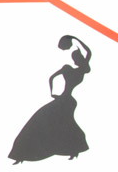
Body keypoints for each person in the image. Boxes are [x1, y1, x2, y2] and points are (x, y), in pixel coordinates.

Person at [9, 35, 91, 163]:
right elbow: (88, 52)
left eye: (75, 58)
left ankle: (22, 153)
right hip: (68, 101)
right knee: (58, 122)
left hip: (64, 100)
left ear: (77, 59)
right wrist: (74, 40)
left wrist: (53, 93)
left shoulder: (70, 69)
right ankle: (72, 149)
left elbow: (52, 78)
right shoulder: (81, 70)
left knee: (45, 121)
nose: (74, 60)